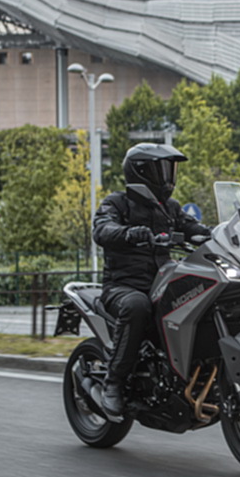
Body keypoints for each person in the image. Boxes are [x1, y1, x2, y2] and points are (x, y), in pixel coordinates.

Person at [92, 143, 211, 419]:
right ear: (142, 172)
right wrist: (128, 233)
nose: (168, 176)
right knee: (138, 305)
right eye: (161, 169)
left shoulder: (170, 208)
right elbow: (102, 229)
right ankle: (113, 382)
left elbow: (194, 228)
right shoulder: (117, 202)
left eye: (170, 169)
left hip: (162, 283)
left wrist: (221, 233)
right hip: (122, 287)